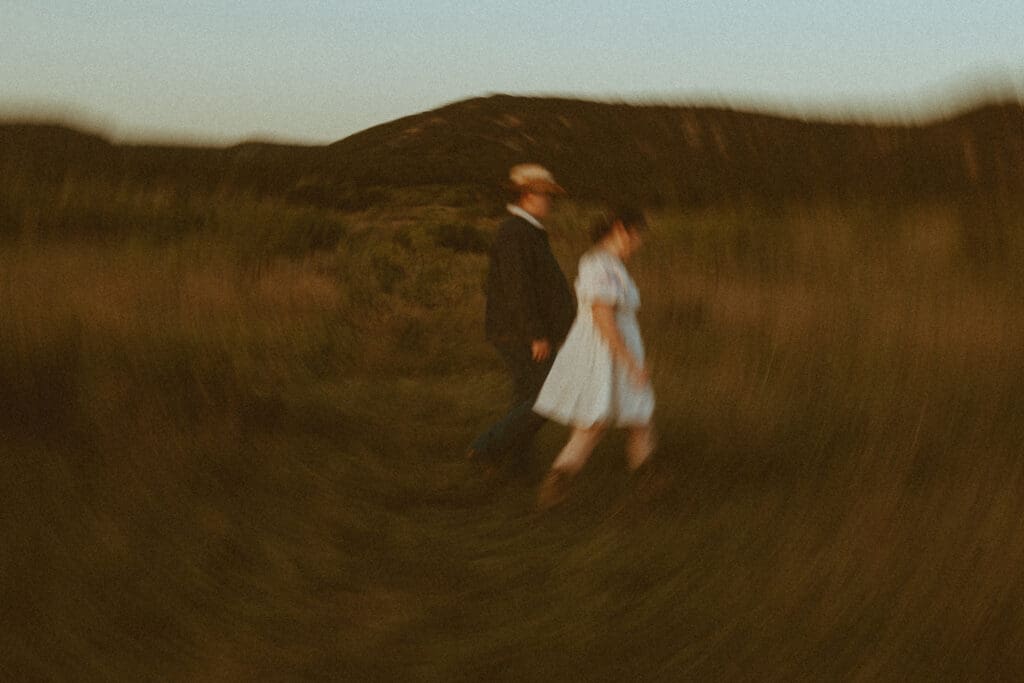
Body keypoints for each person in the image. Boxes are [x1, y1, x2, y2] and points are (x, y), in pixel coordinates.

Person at [532, 207, 656, 509]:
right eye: (637, 234)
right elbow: (603, 317)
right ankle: (555, 488)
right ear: (620, 229)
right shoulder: (599, 264)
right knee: (594, 426)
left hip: (610, 351)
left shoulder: (610, 264)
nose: (638, 242)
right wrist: (630, 362)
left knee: (637, 418)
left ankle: (650, 486)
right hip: (605, 354)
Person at [468, 164, 575, 477]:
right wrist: (536, 334)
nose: (550, 201)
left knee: (527, 397)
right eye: (546, 195)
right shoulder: (516, 233)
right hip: (519, 334)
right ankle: (486, 448)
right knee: (548, 396)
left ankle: (516, 467)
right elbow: (518, 289)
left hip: (520, 332)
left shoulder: (527, 231)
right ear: (528, 195)